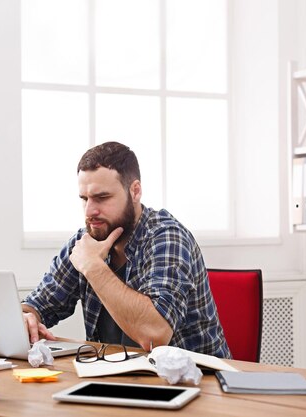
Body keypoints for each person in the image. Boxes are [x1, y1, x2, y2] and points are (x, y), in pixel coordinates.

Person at [21, 141, 231, 358]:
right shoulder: (86, 241)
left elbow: (155, 335)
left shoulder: (167, 237)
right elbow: (38, 304)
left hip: (197, 383)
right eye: (84, 199)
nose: (90, 210)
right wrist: (26, 316)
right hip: (117, 378)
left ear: (135, 191)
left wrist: (94, 267)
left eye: (102, 198)